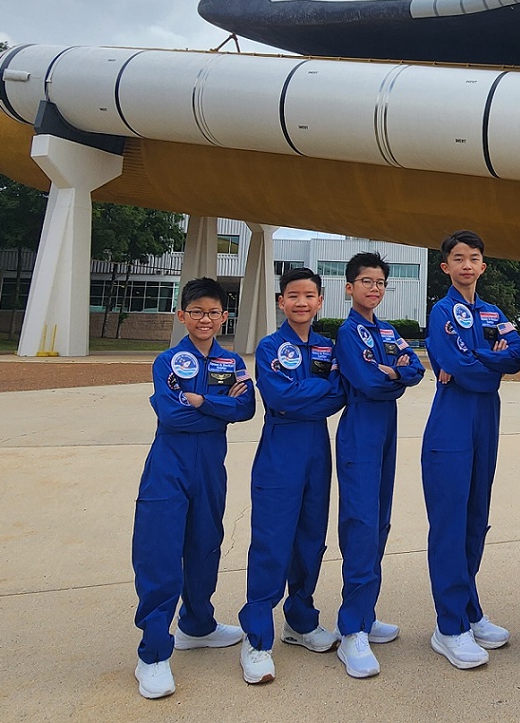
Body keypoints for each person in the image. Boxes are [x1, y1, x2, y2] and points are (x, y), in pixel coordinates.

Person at [131, 277, 256, 699]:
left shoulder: (231, 362)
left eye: (213, 312)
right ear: (182, 315)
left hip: (210, 468)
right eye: (197, 312)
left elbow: (247, 407)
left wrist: (203, 401)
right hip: (169, 465)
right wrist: (222, 407)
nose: (206, 319)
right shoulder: (168, 360)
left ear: (224, 317)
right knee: (160, 552)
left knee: (205, 545)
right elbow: (172, 416)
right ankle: (152, 654)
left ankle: (198, 625)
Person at [237, 267, 347, 685]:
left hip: (317, 449)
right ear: (281, 302)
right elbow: (278, 396)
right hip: (280, 450)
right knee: (272, 541)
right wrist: (317, 391)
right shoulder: (270, 346)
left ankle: (300, 621)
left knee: (310, 538)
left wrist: (305, 396)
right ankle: (256, 638)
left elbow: (340, 394)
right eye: (294, 296)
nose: (302, 303)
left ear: (320, 301)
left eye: (309, 295)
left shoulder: (327, 347)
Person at [423, 229, 520, 669]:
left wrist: (478, 359)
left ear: (483, 266)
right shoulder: (442, 311)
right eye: (458, 258)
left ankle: (469, 608)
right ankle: (449, 627)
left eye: (474, 258)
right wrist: (488, 361)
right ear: (445, 266)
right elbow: (454, 365)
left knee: (475, 518)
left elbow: (516, 355)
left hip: (487, 419)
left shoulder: (493, 312)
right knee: (450, 520)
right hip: (452, 420)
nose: (467, 265)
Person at [332, 252, 426, 678]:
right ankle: (351, 629)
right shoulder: (348, 332)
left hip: (387, 429)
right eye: (366, 281)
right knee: (361, 522)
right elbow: (368, 382)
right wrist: (391, 376)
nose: (374, 288)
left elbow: (416, 369)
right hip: (360, 432)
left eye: (380, 282)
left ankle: (366, 613)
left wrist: (394, 374)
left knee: (380, 522)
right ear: (349, 288)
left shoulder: (387, 331)